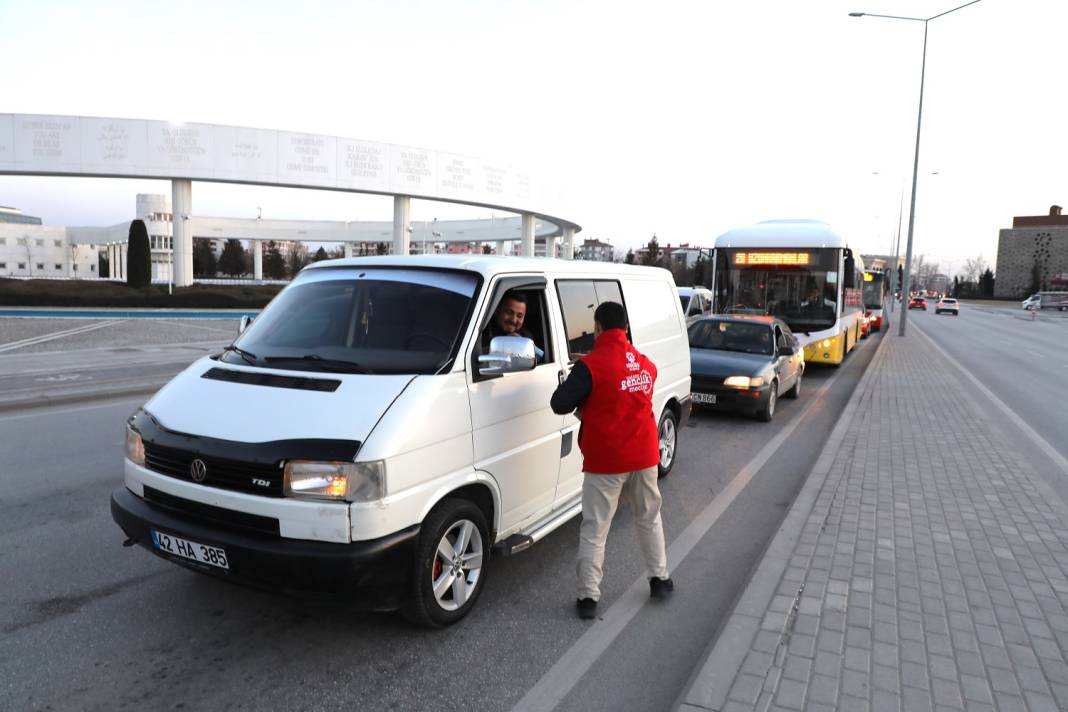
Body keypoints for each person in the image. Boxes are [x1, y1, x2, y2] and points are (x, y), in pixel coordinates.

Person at [550, 301, 673, 620]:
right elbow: (623, 386)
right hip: (645, 457)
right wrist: (588, 369)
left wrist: (580, 373)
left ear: (598, 327)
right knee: (649, 518)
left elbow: (559, 404)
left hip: (606, 461)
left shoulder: (590, 367)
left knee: (595, 529)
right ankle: (660, 580)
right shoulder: (646, 364)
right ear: (627, 329)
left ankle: (588, 599)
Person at [483, 290, 544, 361]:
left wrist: (522, 345)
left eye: (519, 316)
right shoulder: (481, 330)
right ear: (497, 310)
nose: (513, 320)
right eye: (509, 312)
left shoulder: (526, 338)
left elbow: (539, 360)